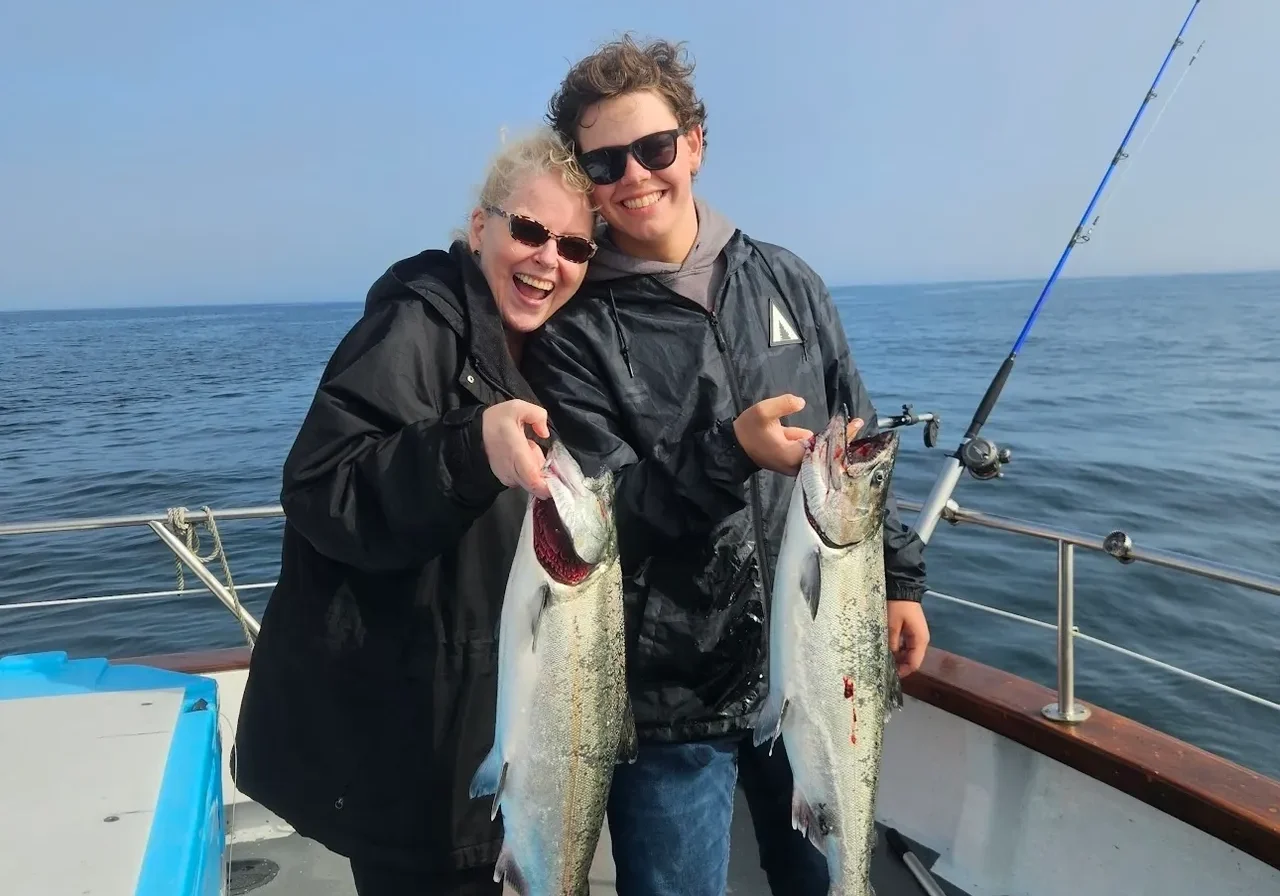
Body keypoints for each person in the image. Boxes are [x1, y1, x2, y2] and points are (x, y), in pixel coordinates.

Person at [522, 36, 931, 896]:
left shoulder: (787, 281)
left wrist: (900, 579)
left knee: (827, 873)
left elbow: (855, 444)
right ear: (585, 180)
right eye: (604, 162)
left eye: (654, 148)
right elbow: (600, 521)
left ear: (696, 143)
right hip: (668, 700)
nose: (634, 176)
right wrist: (729, 453)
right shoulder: (573, 333)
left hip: (815, 663)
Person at [231, 127, 597, 896]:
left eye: (573, 247)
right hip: (413, 765)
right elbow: (323, 487)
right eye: (530, 231)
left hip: (493, 749)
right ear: (480, 227)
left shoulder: (546, 354)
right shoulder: (415, 326)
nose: (548, 260)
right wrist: (469, 451)